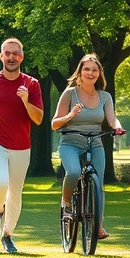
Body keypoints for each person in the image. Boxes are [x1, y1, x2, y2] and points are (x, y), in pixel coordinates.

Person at [0, 38, 43, 254]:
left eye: (15, 53)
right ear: (1, 57)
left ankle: (8, 234)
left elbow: (38, 118)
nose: (11, 57)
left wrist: (25, 100)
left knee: (15, 193)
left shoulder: (31, 84)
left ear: (21, 57)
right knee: (1, 182)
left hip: (22, 146)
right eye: (7, 53)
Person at [50, 54, 124, 240]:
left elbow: (111, 117)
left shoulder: (105, 96)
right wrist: (71, 115)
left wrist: (117, 126)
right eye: (87, 69)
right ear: (80, 73)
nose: (90, 73)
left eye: (94, 70)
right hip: (71, 142)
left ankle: (98, 226)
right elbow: (54, 124)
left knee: (98, 184)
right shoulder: (69, 93)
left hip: (95, 142)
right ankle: (67, 202)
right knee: (74, 172)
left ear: (99, 74)